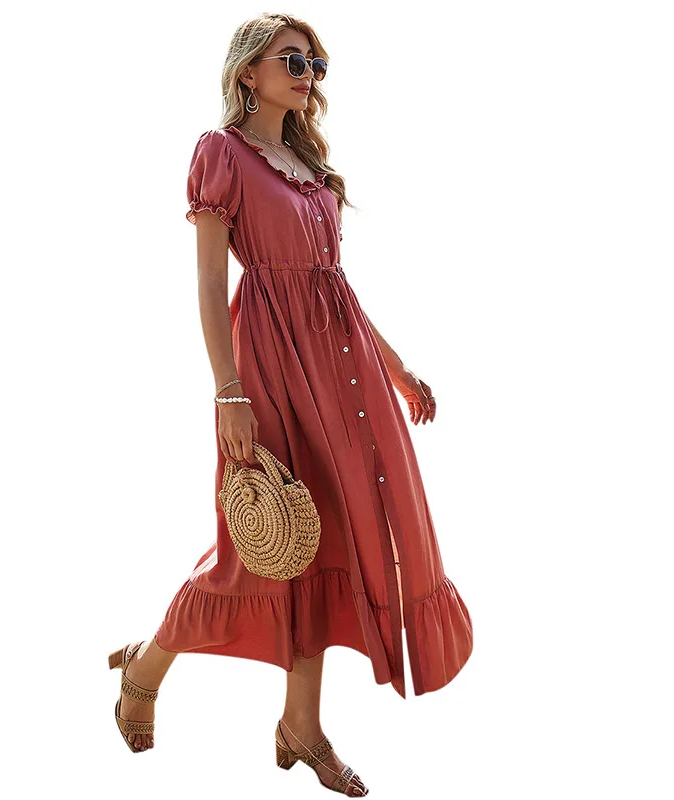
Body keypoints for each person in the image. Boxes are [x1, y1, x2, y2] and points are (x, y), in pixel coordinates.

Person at [108, 13, 473, 796]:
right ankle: (145, 668)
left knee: (326, 539)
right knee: (256, 547)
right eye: (294, 60)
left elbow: (334, 287)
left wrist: (398, 368)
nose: (309, 74)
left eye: (317, 64)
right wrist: (228, 392)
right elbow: (211, 283)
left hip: (343, 376)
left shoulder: (307, 165)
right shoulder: (222, 153)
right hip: (270, 371)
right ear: (249, 71)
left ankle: (301, 725)